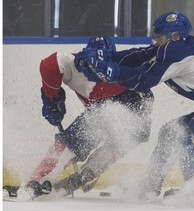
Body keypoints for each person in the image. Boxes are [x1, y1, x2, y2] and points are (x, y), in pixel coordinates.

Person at [72, 11, 194, 198]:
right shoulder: (171, 48)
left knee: (184, 135)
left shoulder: (177, 51)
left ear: (174, 36)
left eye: (160, 35)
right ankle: (151, 186)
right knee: (171, 131)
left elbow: (144, 79)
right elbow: (138, 55)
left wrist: (109, 71)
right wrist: (106, 59)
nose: (156, 39)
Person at [12, 37, 155, 199]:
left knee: (76, 143)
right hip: (126, 110)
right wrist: (52, 98)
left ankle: (44, 181)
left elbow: (51, 64)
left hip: (129, 109)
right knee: (89, 141)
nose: (95, 67)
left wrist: (52, 98)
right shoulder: (77, 64)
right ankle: (69, 177)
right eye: (91, 61)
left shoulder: (116, 74)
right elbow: (50, 64)